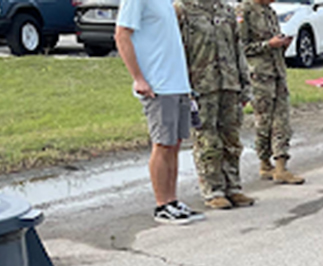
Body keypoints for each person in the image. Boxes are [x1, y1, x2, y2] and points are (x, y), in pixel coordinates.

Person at [115, 0, 206, 224]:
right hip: (158, 85)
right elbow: (122, 34)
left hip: (177, 83)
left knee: (175, 143)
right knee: (163, 143)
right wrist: (138, 78)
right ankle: (162, 204)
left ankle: (173, 200)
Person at [178, 0, 253, 211]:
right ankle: (213, 190)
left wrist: (245, 84)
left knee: (231, 139)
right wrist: (184, 87)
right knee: (207, 141)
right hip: (201, 86)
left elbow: (238, 49)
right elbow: (179, 51)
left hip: (229, 83)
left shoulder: (226, 10)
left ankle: (233, 187)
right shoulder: (183, 10)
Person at [239, 0, 305, 185]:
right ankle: (264, 163)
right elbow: (241, 48)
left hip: (277, 71)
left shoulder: (269, 12)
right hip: (260, 75)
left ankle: (281, 166)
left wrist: (282, 44)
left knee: (282, 119)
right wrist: (268, 44)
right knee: (264, 120)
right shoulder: (245, 11)